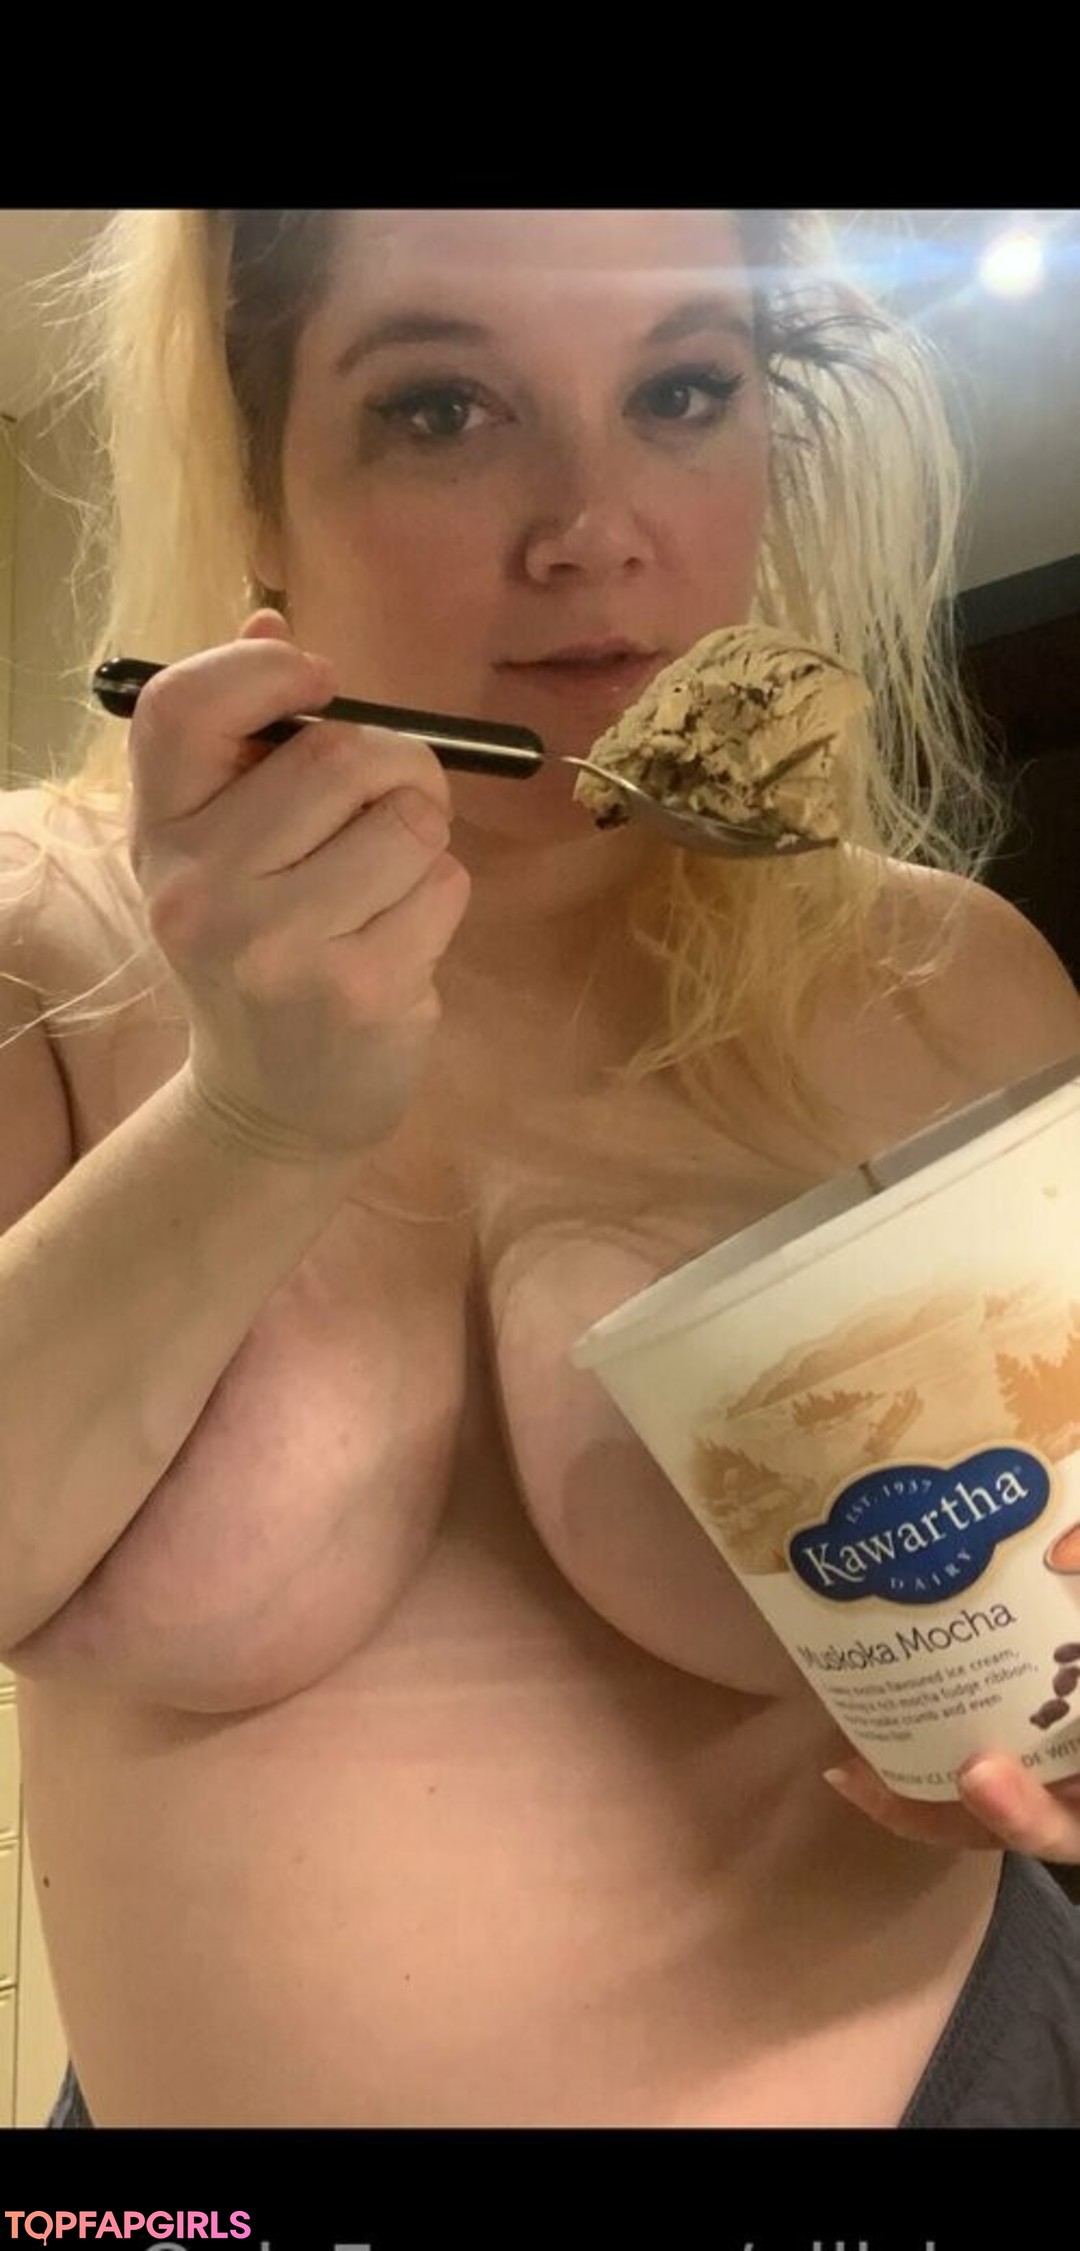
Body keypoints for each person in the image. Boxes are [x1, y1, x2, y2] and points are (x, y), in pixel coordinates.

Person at [3, 207, 1080, 2132]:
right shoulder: (43, 942)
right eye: (441, 407)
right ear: (255, 485)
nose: (594, 525)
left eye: (682, 391)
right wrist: (252, 1122)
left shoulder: (949, 986)